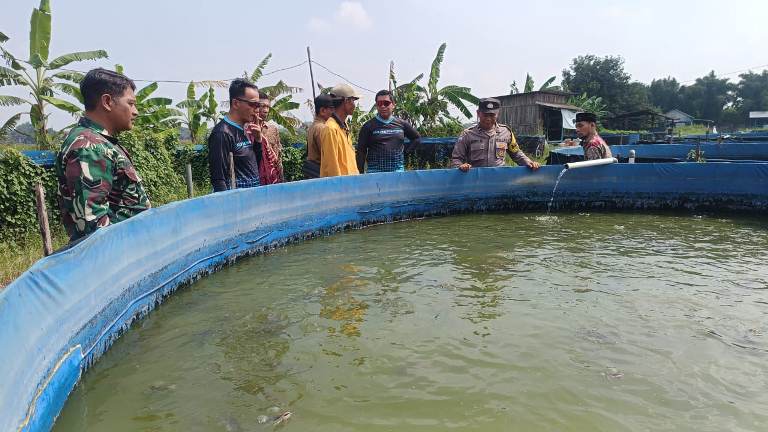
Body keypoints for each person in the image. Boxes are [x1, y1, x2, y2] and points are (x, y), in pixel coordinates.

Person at [55, 68, 150, 242]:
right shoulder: (89, 147)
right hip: (118, 256)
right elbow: (95, 230)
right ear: (107, 102)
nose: (135, 111)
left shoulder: (100, 142)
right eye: (130, 104)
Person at [450, 98, 540, 172]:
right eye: (485, 115)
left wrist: (529, 162)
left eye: (492, 115)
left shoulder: (506, 132)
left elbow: (516, 153)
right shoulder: (467, 134)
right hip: (475, 181)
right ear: (478, 113)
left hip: (499, 180)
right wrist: (461, 166)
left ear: (497, 114)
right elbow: (456, 158)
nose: (488, 119)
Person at [208, 79, 262, 191]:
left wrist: (258, 140)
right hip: (236, 202)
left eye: (258, 105)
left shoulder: (244, 130)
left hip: (250, 198)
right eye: (253, 104)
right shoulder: (222, 133)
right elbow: (218, 179)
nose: (257, 109)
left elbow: (253, 165)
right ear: (236, 103)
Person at [356, 90, 421, 173]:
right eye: (379, 103)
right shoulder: (368, 126)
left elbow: (417, 138)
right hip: (374, 173)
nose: (383, 106)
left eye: (386, 103)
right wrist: (360, 174)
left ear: (393, 105)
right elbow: (361, 151)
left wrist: (406, 153)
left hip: (397, 173)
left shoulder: (402, 124)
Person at [319, 84, 361, 177]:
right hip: (341, 187)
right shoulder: (331, 129)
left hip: (350, 184)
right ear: (346, 101)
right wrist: (339, 189)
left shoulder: (343, 126)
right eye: (353, 100)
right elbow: (332, 166)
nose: (354, 105)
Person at [303, 94, 334, 179]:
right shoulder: (322, 128)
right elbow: (328, 157)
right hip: (320, 173)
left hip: (313, 173)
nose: (334, 112)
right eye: (332, 109)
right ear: (323, 111)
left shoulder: (313, 126)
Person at [256, 91, 284, 182]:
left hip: (272, 177)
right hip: (256, 178)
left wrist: (281, 178)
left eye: (267, 107)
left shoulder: (272, 129)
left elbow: (278, 156)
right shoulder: (247, 130)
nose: (266, 110)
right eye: (262, 106)